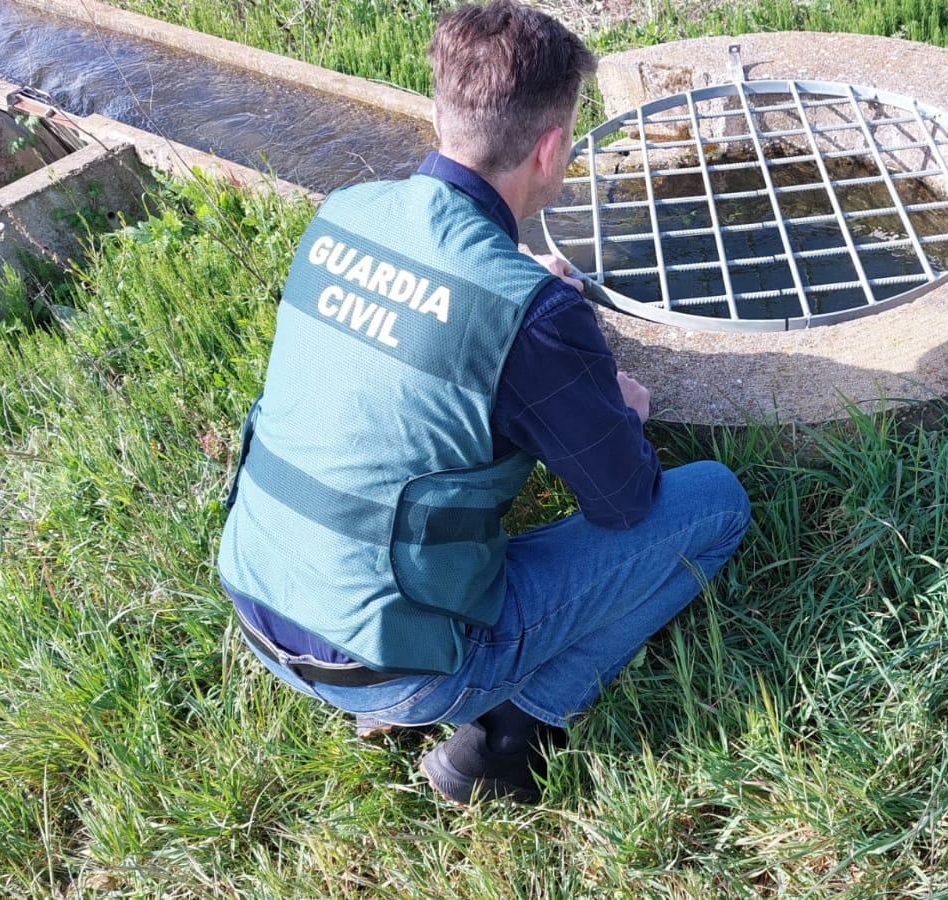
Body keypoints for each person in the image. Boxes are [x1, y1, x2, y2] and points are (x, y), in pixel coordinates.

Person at [216, 0, 751, 806]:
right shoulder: (531, 315)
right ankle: (510, 738)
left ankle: (405, 702)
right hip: (392, 665)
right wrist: (619, 400)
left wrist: (532, 303)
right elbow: (623, 499)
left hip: (257, 599)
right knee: (714, 503)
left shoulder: (344, 215)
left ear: (443, 111)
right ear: (551, 148)